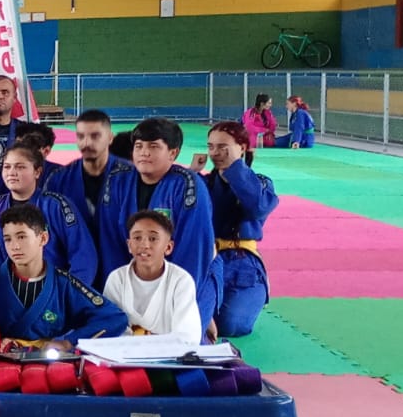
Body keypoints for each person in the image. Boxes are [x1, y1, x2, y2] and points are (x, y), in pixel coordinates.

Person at [97, 117, 217, 330]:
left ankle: (207, 317)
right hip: (134, 274)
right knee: (116, 331)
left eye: (153, 147)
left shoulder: (188, 186)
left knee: (183, 338)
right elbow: (110, 242)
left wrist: (178, 297)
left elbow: (194, 251)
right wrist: (121, 287)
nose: (144, 153)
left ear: (173, 153)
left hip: (185, 276)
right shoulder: (117, 181)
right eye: (139, 146)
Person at [0, 203, 128, 344]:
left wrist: (69, 341)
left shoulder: (64, 284)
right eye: (7, 239)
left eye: (22, 237)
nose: (14, 246)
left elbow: (114, 318)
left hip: (49, 360)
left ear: (43, 238)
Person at [0, 143, 98, 286]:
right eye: (7, 167)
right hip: (0, 294)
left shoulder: (57, 207)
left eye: (20, 167)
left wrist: (67, 293)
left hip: (50, 293)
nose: (11, 173)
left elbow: (83, 257)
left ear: (37, 172)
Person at [194, 120, 278, 337]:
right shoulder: (202, 183)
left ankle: (254, 295)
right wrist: (191, 175)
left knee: (231, 325)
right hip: (208, 260)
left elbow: (258, 208)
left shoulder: (261, 182)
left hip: (243, 263)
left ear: (242, 147)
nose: (215, 153)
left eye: (223, 147)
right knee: (192, 321)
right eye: (211, 146)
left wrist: (236, 170)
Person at [102, 211, 203, 344]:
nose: (144, 245)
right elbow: (110, 329)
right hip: (125, 354)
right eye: (137, 238)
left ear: (168, 247)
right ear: (129, 245)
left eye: (153, 239)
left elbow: (188, 336)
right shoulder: (117, 279)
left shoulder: (181, 281)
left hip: (169, 355)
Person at [44, 109, 131, 244]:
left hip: (120, 254)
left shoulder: (131, 177)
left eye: (95, 136)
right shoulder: (59, 179)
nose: (86, 143)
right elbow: (50, 229)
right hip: (75, 255)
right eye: (80, 136)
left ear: (110, 138)